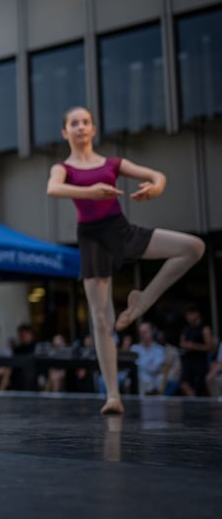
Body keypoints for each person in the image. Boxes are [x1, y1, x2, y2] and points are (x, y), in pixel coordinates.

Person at [46, 106, 205, 414]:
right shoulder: (63, 168)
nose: (80, 127)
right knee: (102, 320)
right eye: (74, 123)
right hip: (91, 238)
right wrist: (90, 191)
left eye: (86, 122)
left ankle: (143, 300)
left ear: (93, 129)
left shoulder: (113, 163)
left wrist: (157, 186)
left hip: (120, 230)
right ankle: (113, 396)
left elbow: (156, 174)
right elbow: (53, 188)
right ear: (65, 132)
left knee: (193, 248)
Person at [178, 307, 213, 397]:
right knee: (183, 384)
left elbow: (209, 346)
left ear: (196, 314)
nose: (188, 317)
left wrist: (194, 346)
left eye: (190, 314)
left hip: (200, 360)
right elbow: (181, 343)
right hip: (188, 360)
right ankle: (195, 401)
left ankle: (198, 402)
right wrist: (186, 345)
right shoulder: (186, 328)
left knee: (200, 385)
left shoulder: (204, 328)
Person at [131, 321, 166, 396]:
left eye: (145, 332)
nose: (142, 335)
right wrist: (148, 363)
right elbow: (133, 368)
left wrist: (141, 363)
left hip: (154, 380)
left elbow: (154, 368)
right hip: (137, 381)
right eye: (141, 333)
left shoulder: (159, 350)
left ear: (152, 332)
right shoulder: (134, 349)